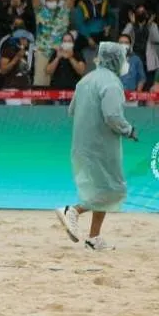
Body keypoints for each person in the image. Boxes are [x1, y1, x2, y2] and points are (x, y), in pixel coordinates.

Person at [55, 42, 138, 251]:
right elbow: (112, 116)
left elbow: (71, 110)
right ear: (116, 59)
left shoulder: (85, 80)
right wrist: (129, 130)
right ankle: (72, 211)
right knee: (113, 188)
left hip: (81, 143)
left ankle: (94, 238)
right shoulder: (111, 84)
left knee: (103, 187)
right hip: (101, 145)